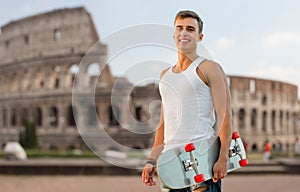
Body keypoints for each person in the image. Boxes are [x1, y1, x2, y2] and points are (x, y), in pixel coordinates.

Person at [142, 10, 232, 192]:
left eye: (190, 29)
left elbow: (225, 115)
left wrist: (223, 157)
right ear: (174, 34)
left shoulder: (209, 68)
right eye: (180, 28)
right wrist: (152, 159)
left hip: (201, 164)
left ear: (199, 37)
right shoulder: (164, 76)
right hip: (170, 165)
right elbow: (163, 124)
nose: (184, 33)